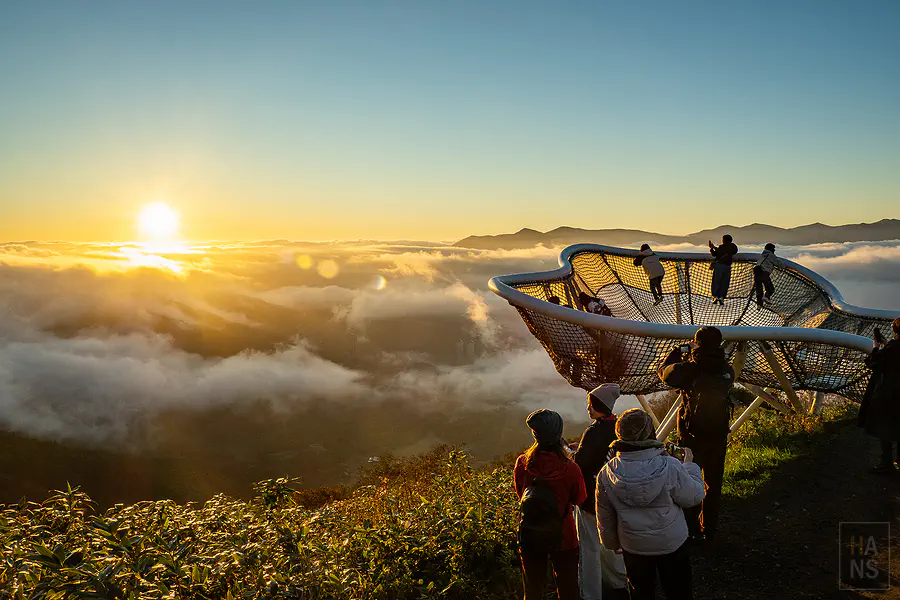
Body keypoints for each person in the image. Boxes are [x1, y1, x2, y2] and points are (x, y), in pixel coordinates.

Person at [595, 409, 705, 600]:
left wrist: (611, 542)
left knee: (641, 592)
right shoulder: (670, 466)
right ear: (649, 432)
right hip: (671, 543)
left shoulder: (607, 473)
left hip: (633, 546)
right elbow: (694, 496)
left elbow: (605, 515)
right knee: (679, 592)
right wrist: (689, 466)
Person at [657, 326, 734, 543]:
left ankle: (690, 528)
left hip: (692, 436)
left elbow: (664, 373)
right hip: (718, 435)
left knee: (688, 479)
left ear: (697, 344)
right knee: (713, 483)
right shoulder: (727, 370)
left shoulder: (690, 370)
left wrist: (678, 352)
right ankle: (709, 529)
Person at [514, 409, 587, 600]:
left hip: (530, 533)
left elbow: (521, 494)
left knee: (533, 589)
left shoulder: (523, 463)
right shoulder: (571, 468)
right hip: (564, 536)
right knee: (568, 588)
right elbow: (579, 498)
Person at [571, 384, 628, 600]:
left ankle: (590, 593)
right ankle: (619, 582)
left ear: (601, 406)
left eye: (591, 405)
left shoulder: (593, 432)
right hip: (615, 496)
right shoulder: (619, 428)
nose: (588, 408)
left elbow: (581, 464)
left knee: (589, 548)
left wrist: (571, 453)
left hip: (590, 499)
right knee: (612, 544)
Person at [858, 318, 900, 473]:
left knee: (886, 428)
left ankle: (886, 463)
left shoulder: (892, 348)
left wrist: (876, 348)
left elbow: (873, 363)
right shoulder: (892, 347)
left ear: (895, 331)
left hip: (890, 393)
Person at [708, 235, 738, 305]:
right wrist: (714, 248)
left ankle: (715, 296)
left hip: (719, 266)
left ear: (724, 240)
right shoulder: (733, 247)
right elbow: (733, 251)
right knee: (725, 283)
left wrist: (712, 248)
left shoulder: (721, 247)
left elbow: (715, 254)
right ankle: (721, 296)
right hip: (727, 267)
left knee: (716, 282)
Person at [753, 243, 780, 310]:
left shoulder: (762, 255)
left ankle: (759, 304)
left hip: (756, 273)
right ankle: (766, 297)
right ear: (771, 249)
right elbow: (780, 265)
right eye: (773, 249)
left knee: (759, 290)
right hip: (764, 273)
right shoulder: (771, 256)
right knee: (770, 288)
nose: (774, 250)